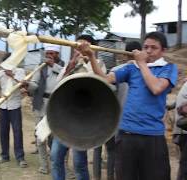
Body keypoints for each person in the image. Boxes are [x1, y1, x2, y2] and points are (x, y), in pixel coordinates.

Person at [77, 31, 178, 180]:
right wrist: (92, 56)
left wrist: (142, 63)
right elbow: (104, 79)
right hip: (126, 134)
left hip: (153, 136)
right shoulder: (131, 69)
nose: (148, 51)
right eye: (146, 47)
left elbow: (156, 88)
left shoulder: (168, 68)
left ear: (163, 51)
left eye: (154, 48)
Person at [51, 35, 105, 180]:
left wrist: (88, 60)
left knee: (79, 162)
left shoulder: (98, 63)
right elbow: (57, 85)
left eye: (84, 46)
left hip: (83, 120)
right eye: (78, 46)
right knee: (56, 157)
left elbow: (101, 83)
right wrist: (72, 64)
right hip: (64, 118)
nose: (80, 49)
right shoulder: (71, 64)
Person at [92, 41, 142, 180]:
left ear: (126, 54)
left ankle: (98, 177)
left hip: (111, 118)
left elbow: (106, 89)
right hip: (130, 122)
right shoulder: (145, 71)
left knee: (101, 148)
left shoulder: (117, 70)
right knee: (114, 152)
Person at [23, 43, 64, 174]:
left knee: (54, 139)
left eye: (52, 54)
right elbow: (34, 85)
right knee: (40, 138)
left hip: (55, 107)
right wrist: (27, 84)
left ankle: (56, 165)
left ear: (57, 55)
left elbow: (63, 76)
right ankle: (43, 166)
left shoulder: (63, 67)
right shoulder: (40, 68)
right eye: (47, 54)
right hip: (39, 105)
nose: (49, 57)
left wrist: (53, 66)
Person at [167, 80, 187, 180]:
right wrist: (169, 106)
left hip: (184, 130)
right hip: (181, 130)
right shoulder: (185, 84)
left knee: (184, 165)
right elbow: (178, 102)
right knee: (183, 163)